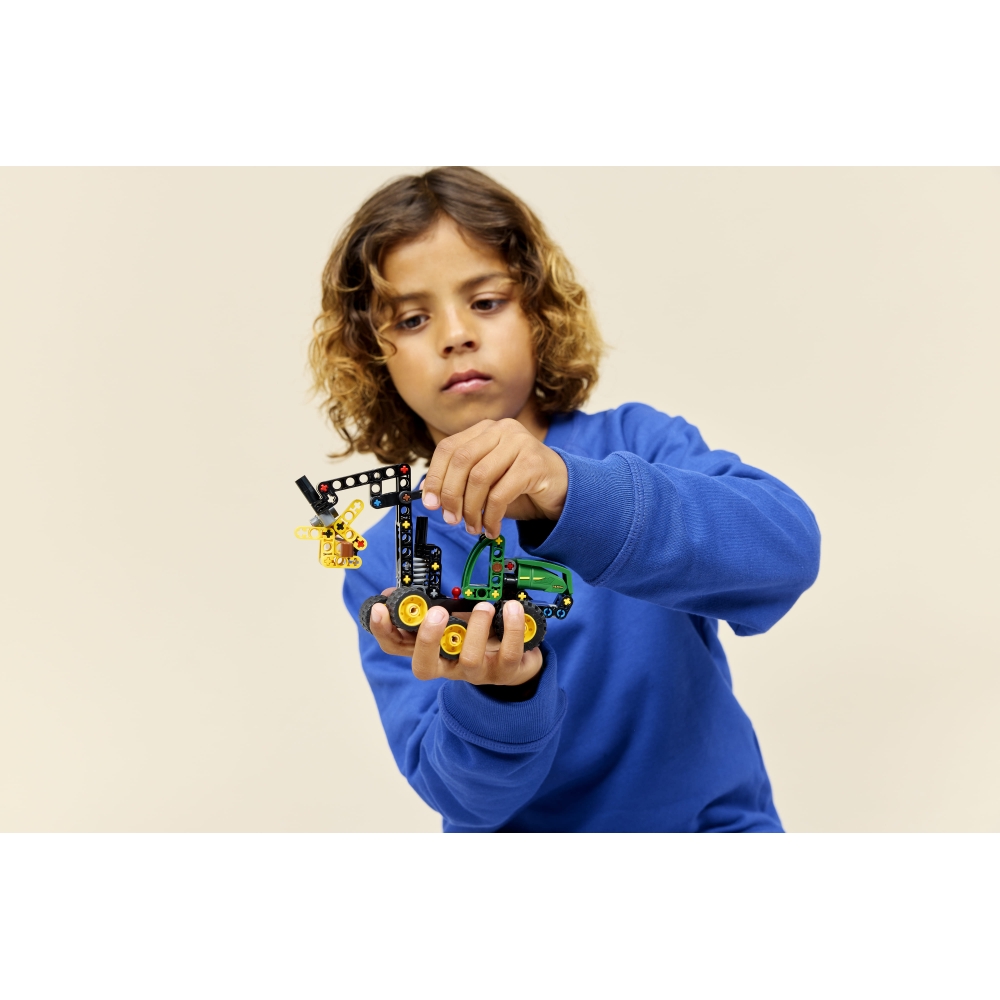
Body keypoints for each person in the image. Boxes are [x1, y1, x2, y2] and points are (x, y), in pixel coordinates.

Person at [308, 166, 821, 832]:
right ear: (373, 359)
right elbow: (464, 799)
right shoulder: (384, 558)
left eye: (485, 302)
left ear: (537, 311)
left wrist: (569, 491)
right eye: (412, 318)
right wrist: (503, 693)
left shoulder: (639, 445)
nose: (455, 335)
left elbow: (787, 553)